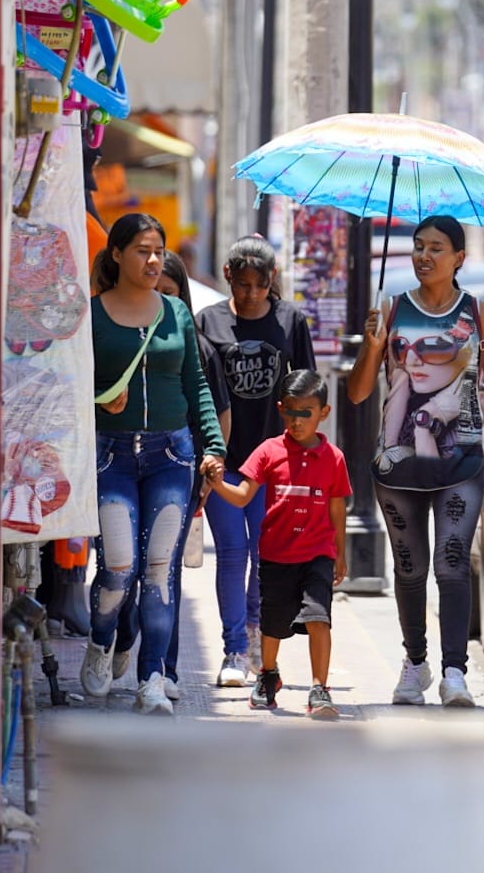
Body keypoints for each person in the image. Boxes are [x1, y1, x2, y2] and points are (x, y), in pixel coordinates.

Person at [347, 214, 484, 708]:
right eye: (418, 246)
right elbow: (360, 392)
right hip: (397, 466)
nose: (424, 255)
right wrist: (372, 348)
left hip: (461, 464)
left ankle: (453, 672)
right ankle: (415, 663)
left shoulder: (479, 314)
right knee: (409, 571)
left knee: (450, 564)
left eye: (436, 248)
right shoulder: (390, 311)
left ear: (459, 259)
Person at [82, 213, 226, 716]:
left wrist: (213, 447)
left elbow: (197, 384)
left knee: (160, 573)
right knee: (119, 568)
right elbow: (73, 387)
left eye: (158, 251)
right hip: (110, 455)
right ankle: (102, 642)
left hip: (171, 455)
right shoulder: (92, 314)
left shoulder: (175, 314)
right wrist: (102, 404)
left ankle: (153, 676)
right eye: (141, 250)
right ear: (117, 254)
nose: (152, 260)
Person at [196, 235, 317, 686]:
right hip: (223, 459)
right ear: (228, 276)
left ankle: (251, 632)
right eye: (242, 284)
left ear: (272, 282)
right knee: (232, 553)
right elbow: (198, 388)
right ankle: (232, 649)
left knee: (265, 555)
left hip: (274, 463)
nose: (250, 294)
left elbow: (308, 389)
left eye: (259, 286)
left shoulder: (290, 321)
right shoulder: (207, 321)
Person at [207, 370, 349, 717]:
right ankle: (268, 676)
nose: (298, 421)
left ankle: (320, 688)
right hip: (275, 555)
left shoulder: (334, 459)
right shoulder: (269, 451)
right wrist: (216, 482)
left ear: (323, 413)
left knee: (319, 618)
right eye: (291, 412)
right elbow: (242, 495)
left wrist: (340, 554)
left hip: (317, 554)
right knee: (273, 624)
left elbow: (337, 508)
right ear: (281, 409)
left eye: (307, 413)